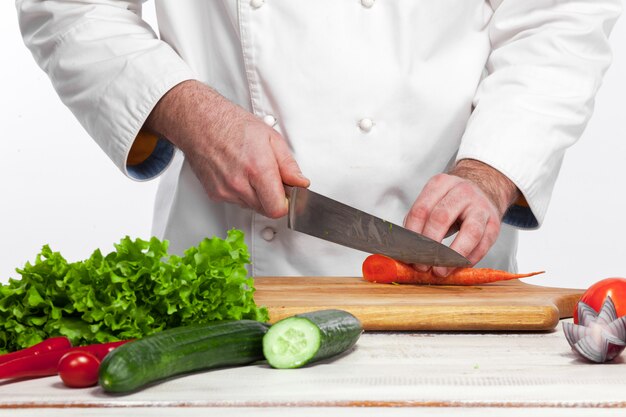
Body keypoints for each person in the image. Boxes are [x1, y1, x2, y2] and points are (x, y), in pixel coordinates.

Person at [16, 1, 621, 278]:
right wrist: (189, 110)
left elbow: (563, 16)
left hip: (445, 269)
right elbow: (68, 7)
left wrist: (489, 171)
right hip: (237, 266)